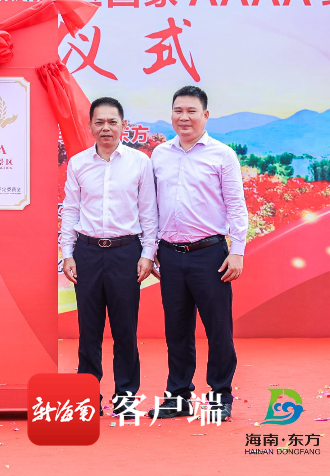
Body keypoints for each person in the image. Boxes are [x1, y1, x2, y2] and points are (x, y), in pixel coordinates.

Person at [148, 85, 247, 422]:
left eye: (191, 111)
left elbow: (236, 206)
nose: (184, 117)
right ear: (171, 114)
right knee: (176, 330)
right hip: (170, 255)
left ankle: (220, 396)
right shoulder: (160, 154)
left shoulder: (222, 155)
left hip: (210, 254)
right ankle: (178, 396)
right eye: (178, 111)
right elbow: (151, 207)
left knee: (218, 328)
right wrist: (152, 248)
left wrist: (238, 251)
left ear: (205, 115)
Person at [61, 97, 157, 415]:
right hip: (87, 252)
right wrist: (68, 254)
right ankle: (87, 398)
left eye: (112, 122)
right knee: (89, 329)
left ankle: (125, 397)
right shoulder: (78, 164)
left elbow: (148, 211)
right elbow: (71, 210)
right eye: (99, 122)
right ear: (90, 126)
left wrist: (148, 253)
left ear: (123, 126)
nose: (106, 128)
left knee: (124, 329)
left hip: (126, 252)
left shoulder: (139, 163)